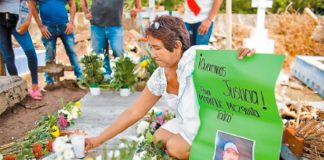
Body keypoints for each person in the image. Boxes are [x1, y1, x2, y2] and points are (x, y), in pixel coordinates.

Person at [84, 16, 254, 159]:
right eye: (151, 47)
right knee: (156, 139)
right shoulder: (160, 76)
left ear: (177, 46)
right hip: (185, 122)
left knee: (174, 148)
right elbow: (133, 112)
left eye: (157, 48)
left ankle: (218, 154)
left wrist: (241, 56)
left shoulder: (198, 58)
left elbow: (228, 64)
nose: (153, 53)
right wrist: (96, 140)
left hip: (209, 124)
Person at [29, 0, 82, 84]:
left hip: (64, 26)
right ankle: (49, 82)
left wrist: (71, 23)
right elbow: (31, 5)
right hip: (48, 28)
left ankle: (81, 78)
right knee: (50, 55)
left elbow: (72, 3)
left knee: (72, 52)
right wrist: (40, 26)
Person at [0, 0, 43, 100]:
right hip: (0, 21)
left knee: (30, 51)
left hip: (18, 18)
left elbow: (31, 2)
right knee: (8, 57)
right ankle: (18, 88)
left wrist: (27, 21)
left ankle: (35, 87)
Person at [134, 0, 223, 46]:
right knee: (185, 52)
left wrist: (208, 20)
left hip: (204, 21)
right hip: (188, 20)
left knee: (200, 54)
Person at [81, 0, 126, 78]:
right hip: (96, 24)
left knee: (118, 50)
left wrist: (137, 7)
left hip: (116, 24)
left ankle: (122, 77)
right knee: (99, 54)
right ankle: (105, 77)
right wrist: (86, 12)